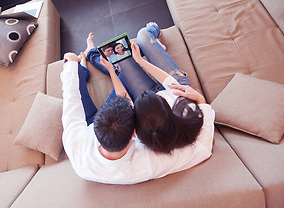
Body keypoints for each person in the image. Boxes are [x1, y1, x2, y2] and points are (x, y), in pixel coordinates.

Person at [61, 30, 215, 184]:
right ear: (135, 133)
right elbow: (203, 148)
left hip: (158, 97)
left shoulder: (76, 144)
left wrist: (71, 64)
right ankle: (94, 56)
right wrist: (199, 98)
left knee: (117, 63)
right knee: (130, 53)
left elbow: (71, 98)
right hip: (172, 91)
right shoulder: (148, 161)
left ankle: (90, 58)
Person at [85, 22, 214, 154]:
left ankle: (91, 53)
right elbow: (169, 82)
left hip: (154, 102)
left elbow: (125, 99)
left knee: (122, 58)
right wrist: (140, 61)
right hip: (177, 87)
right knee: (143, 35)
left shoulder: (144, 134)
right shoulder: (187, 109)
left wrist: (112, 72)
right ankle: (155, 32)